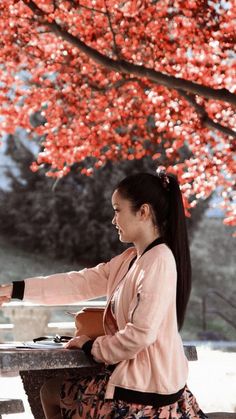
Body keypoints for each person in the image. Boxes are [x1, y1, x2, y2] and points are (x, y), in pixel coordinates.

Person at [0, 171, 208, 419]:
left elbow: (139, 336)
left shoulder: (159, 261)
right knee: (50, 389)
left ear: (143, 212)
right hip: (136, 384)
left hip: (146, 398)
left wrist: (91, 346)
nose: (113, 219)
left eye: (118, 210)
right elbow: (78, 283)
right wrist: (15, 289)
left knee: (50, 390)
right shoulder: (131, 260)